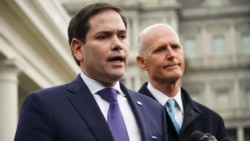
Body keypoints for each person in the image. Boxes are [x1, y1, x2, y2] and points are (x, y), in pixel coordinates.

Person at [14, 3, 168, 141]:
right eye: (103, 36)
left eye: (122, 36)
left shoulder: (154, 110)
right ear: (78, 49)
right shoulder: (45, 105)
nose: (117, 44)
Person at [136, 23, 227, 141]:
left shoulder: (212, 120)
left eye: (175, 47)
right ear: (142, 62)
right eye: (160, 49)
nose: (171, 55)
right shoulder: (130, 115)